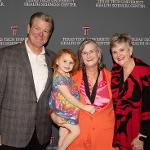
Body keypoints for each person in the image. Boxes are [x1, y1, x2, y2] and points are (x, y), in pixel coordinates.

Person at [0, 12, 55, 150]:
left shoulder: (54, 59)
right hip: (10, 134)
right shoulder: (6, 55)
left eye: (45, 31)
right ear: (28, 28)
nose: (40, 34)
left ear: (49, 35)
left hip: (41, 135)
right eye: (37, 28)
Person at [67, 39, 116, 150]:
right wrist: (54, 114)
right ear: (81, 57)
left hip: (106, 140)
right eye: (84, 53)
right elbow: (59, 103)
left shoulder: (113, 79)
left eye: (91, 51)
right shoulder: (72, 79)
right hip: (78, 140)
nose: (88, 55)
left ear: (98, 54)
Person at [49, 48, 95, 150]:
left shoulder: (67, 75)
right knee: (75, 131)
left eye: (71, 62)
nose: (67, 64)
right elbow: (69, 97)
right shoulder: (58, 77)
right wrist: (85, 107)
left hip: (69, 111)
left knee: (63, 132)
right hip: (63, 112)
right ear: (57, 61)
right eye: (64, 61)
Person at [110, 33, 150, 150]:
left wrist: (142, 136)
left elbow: (148, 107)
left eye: (122, 50)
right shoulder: (115, 71)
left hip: (141, 134)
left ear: (130, 50)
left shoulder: (144, 71)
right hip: (123, 133)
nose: (118, 55)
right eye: (114, 52)